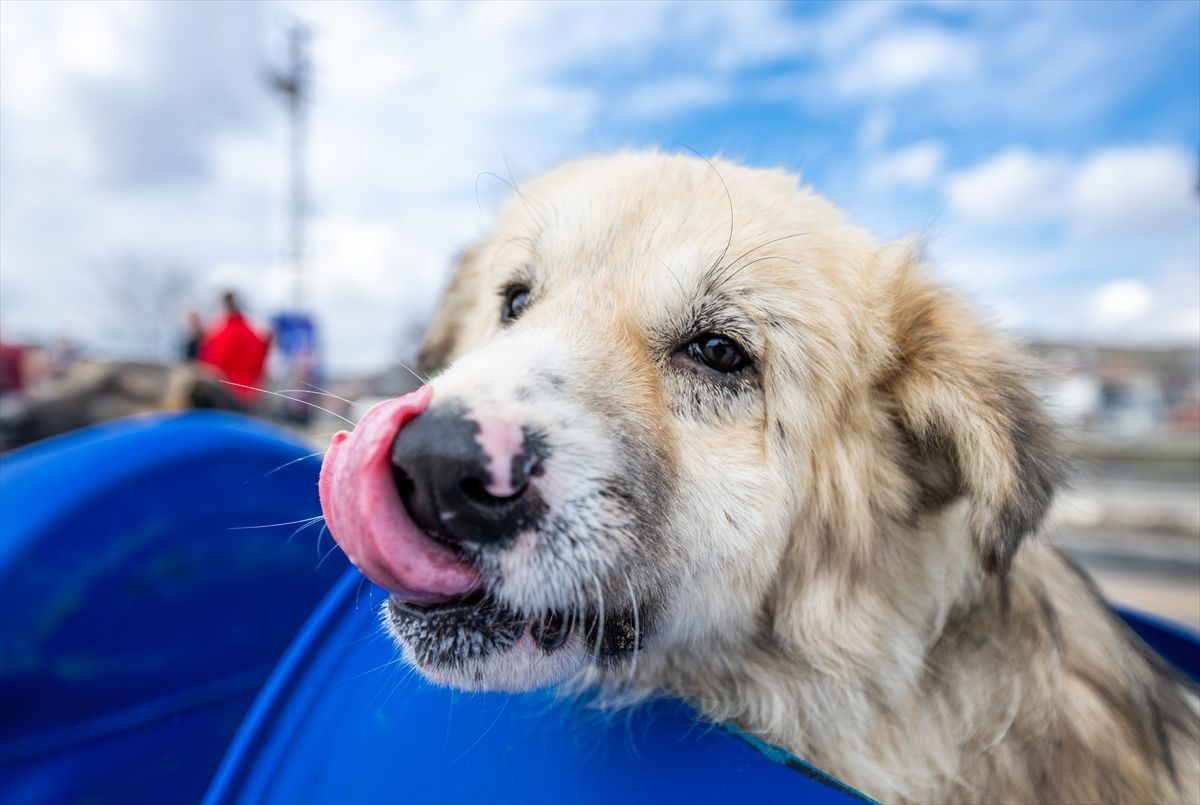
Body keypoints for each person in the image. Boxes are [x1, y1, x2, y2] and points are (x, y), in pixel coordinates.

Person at [197, 292, 271, 404]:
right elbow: (262, 359)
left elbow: (211, 364)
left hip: (224, 393)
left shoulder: (219, 334)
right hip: (248, 392)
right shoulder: (253, 333)